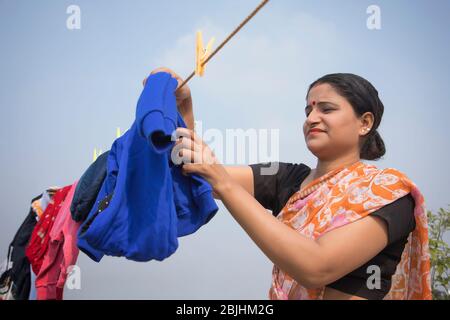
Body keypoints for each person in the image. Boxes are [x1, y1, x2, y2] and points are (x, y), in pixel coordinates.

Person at [144, 68, 432, 300]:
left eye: (327, 109)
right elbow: (196, 174)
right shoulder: (289, 178)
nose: (311, 119)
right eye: (308, 110)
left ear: (364, 123)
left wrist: (224, 183)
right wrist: (183, 110)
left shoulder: (388, 191)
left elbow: (317, 267)